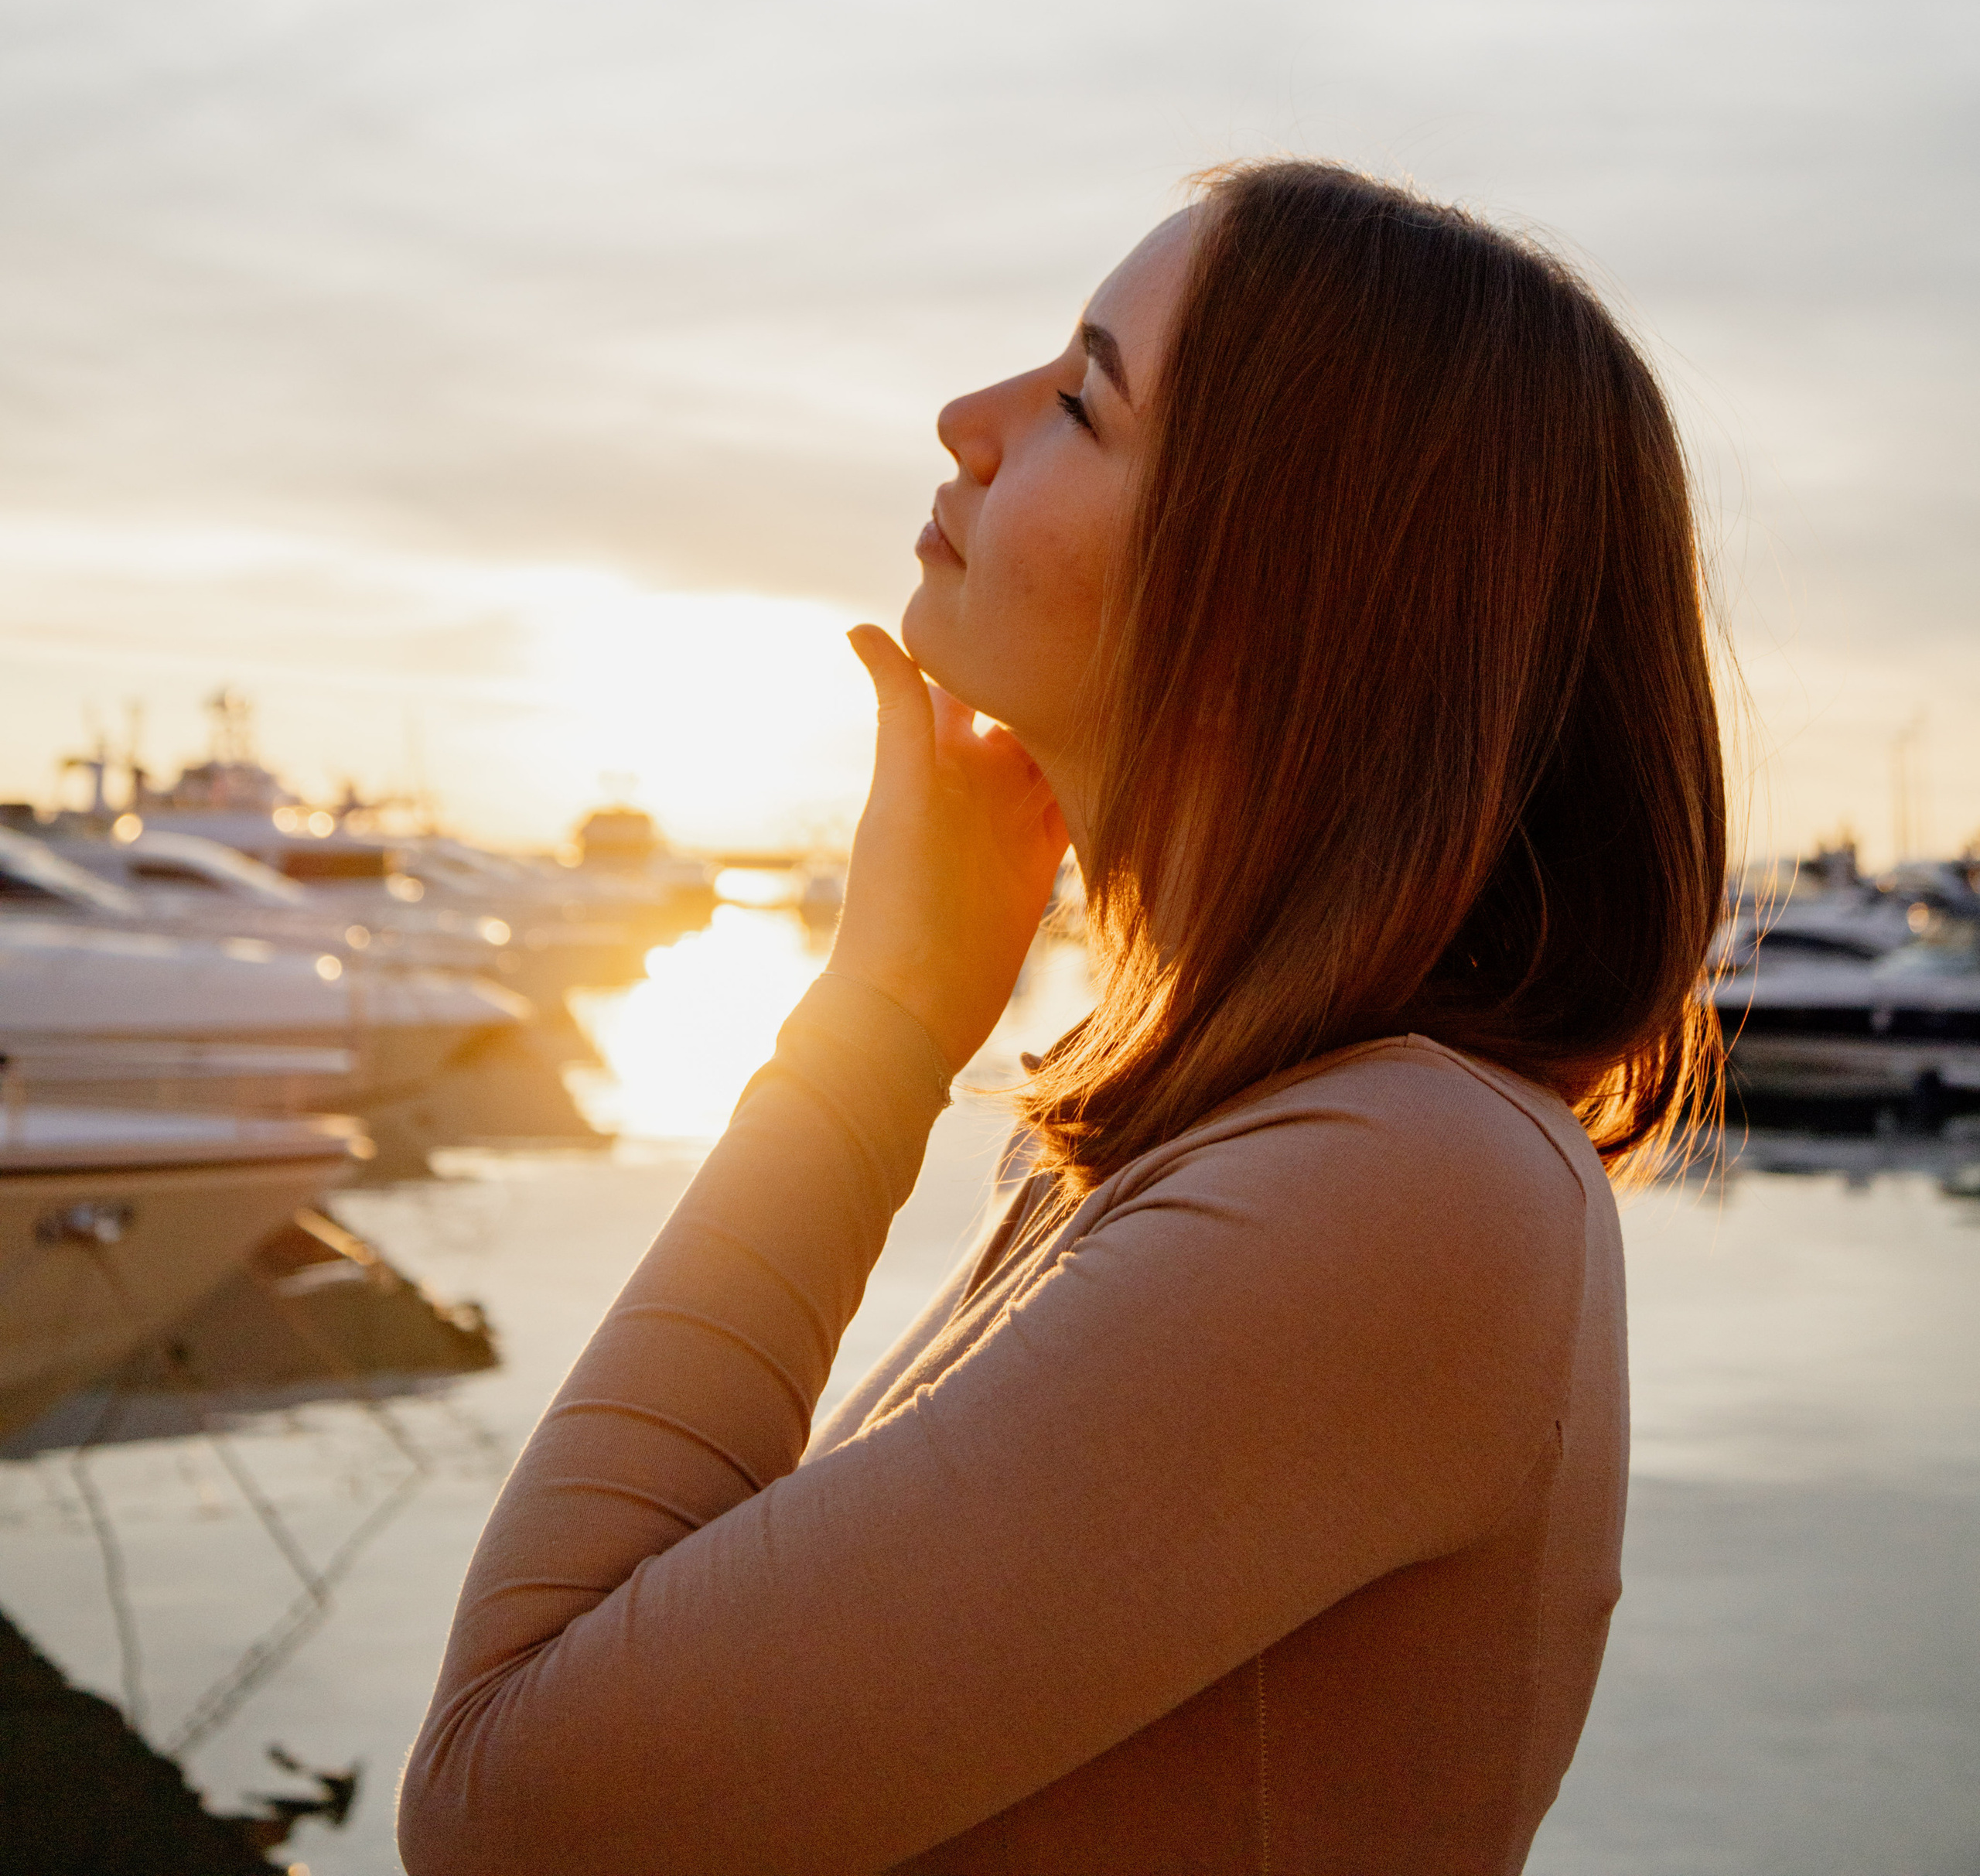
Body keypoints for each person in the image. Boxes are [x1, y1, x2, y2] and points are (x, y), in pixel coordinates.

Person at [399, 160, 1726, 1876]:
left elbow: (516, 1818)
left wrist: (877, 1025)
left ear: (1275, 597)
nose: (966, 420)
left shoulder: (1408, 1186)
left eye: (1080, 403)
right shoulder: (1235, 1153)